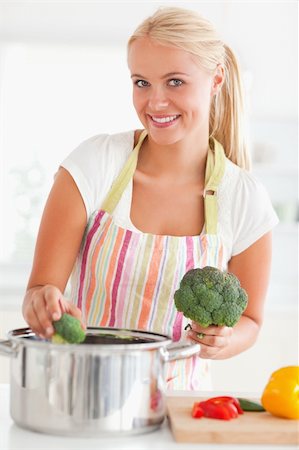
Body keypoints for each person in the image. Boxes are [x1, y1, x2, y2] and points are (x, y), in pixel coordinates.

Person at [22, 6, 278, 390]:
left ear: (216, 79)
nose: (155, 103)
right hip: (81, 397)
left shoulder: (244, 199)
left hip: (179, 409)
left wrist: (224, 340)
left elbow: (250, 323)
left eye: (174, 82)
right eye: (142, 83)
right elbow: (39, 291)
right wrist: (42, 304)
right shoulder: (95, 165)